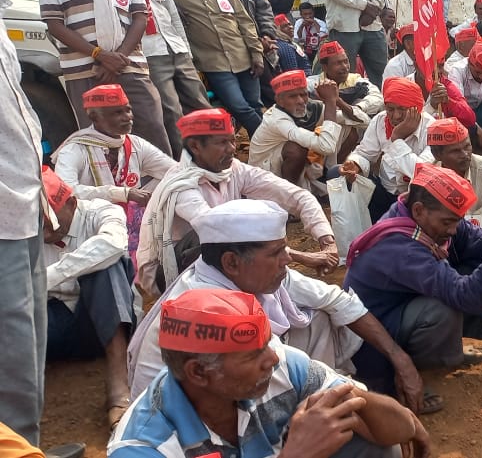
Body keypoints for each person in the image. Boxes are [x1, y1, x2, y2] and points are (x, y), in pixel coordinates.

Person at [128, 200, 426, 413]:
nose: (288, 259)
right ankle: (330, 401)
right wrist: (370, 407)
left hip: (232, 389)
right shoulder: (208, 304)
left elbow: (339, 300)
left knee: (320, 316)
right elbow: (271, 363)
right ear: (231, 261)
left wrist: (401, 361)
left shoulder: (252, 274)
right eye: (276, 253)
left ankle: (334, 397)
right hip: (196, 418)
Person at [114, 288, 430, 458]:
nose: (273, 359)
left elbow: (395, 430)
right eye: (254, 354)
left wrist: (370, 406)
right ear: (198, 373)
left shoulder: (284, 367)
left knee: (368, 439)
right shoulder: (142, 447)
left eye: (268, 344)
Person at [345, 164, 482, 403]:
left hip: (402, 310)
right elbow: (470, 297)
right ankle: (399, 380)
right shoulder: (401, 248)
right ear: (419, 210)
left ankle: (449, 349)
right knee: (444, 308)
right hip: (374, 342)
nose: (454, 230)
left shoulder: (430, 217)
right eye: (448, 222)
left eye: (457, 221)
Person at [136, 108, 338, 294]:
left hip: (223, 254)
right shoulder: (181, 185)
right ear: (196, 146)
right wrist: (302, 256)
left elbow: (298, 196)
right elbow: (217, 230)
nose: (232, 148)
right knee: (221, 233)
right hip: (170, 270)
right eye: (222, 143)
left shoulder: (234, 170)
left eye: (232, 140)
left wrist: (326, 241)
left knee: (242, 231)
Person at [40, 0, 172, 157]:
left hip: (128, 65)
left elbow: (140, 17)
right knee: (99, 138)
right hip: (83, 70)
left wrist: (116, 59)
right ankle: (115, 191)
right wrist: (99, 55)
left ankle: (163, 188)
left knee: (152, 127)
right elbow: (55, 24)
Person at [0, 0, 49, 443]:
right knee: (10, 344)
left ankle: (24, 443)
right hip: (1, 210)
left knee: (30, 334)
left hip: (24, 196)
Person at [40, 169, 135, 429]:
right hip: (49, 323)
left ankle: (119, 384)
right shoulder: (24, 229)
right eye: (36, 218)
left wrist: (47, 276)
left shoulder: (102, 212)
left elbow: (113, 243)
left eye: (49, 217)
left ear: (71, 202)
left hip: (101, 321)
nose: (43, 226)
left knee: (106, 264)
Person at [110, 0, 212, 155]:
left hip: (174, 45)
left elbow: (169, 8)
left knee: (200, 103)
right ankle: (183, 166)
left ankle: (213, 157)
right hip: (148, 50)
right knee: (171, 112)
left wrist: (184, 46)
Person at [51, 85, 176, 260]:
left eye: (128, 110)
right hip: (92, 228)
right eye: (117, 113)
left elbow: (175, 172)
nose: (128, 118)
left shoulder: (135, 143)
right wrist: (122, 194)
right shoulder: (74, 149)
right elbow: (66, 193)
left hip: (133, 225)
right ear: (94, 116)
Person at [167, 0, 265, 137]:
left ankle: (266, 150)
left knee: (255, 105)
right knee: (239, 107)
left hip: (243, 57)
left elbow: (245, 22)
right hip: (213, 62)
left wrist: (256, 53)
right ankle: (274, 141)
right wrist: (173, 9)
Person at [338, 77, 435, 221]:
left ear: (417, 109)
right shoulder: (380, 120)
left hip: (415, 198)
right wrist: (354, 164)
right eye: (390, 109)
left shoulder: (431, 128)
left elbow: (420, 172)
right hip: (384, 190)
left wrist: (397, 138)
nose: (396, 116)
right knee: (339, 174)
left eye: (403, 109)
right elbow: (364, 154)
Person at [247, 70, 344, 188]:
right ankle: (290, 195)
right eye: (292, 96)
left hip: (285, 166)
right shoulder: (277, 120)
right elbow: (327, 146)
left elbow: (362, 120)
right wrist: (330, 101)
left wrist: (336, 100)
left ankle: (330, 178)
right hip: (263, 177)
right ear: (279, 101)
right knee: (296, 149)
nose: (300, 101)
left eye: (303, 94)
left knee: (348, 127)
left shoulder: (311, 107)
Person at [427, 118, 482, 229]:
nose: (465, 154)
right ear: (437, 154)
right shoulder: (427, 178)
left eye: (467, 146)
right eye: (456, 151)